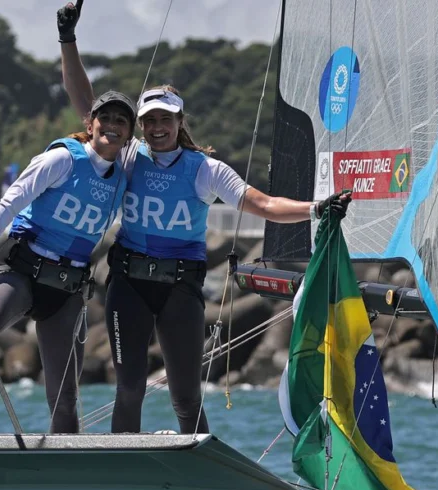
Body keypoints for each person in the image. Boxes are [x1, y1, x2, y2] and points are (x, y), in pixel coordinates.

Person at [56, 1, 352, 435]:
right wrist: (68, 39)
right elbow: (85, 101)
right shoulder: (131, 156)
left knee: (186, 395)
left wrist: (316, 209)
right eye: (150, 120)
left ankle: (200, 466)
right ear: (140, 126)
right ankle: (122, 467)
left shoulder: (204, 169)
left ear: (179, 122)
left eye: (166, 120)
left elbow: (263, 204)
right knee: (130, 389)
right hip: (129, 285)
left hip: (180, 287)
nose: (157, 127)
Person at [0, 90, 137, 435]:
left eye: (121, 120)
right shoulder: (61, 160)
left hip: (67, 289)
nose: (112, 125)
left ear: (129, 134)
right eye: (104, 117)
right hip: (23, 271)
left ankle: (66, 463)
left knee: (64, 397)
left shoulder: (125, 176)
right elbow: (9, 204)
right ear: (90, 123)